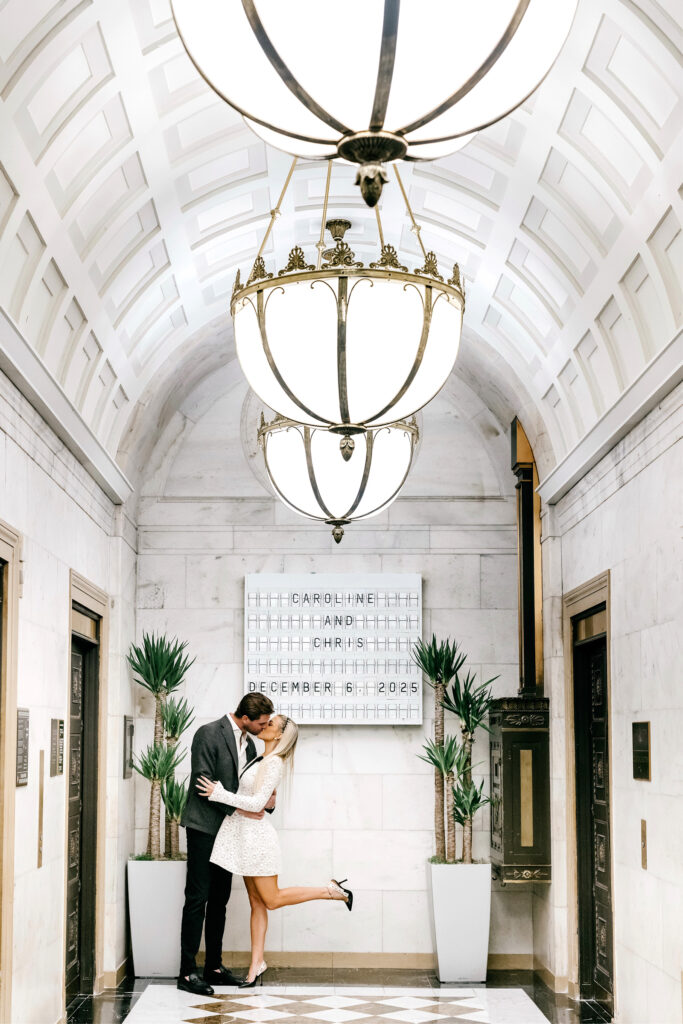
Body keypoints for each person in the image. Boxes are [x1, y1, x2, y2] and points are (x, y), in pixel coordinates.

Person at [196, 713, 353, 988]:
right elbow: (260, 801)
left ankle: (330, 891)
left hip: (258, 841)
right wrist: (261, 802)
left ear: (278, 735)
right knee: (256, 904)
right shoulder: (259, 758)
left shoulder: (274, 764)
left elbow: (255, 803)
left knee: (271, 899)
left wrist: (217, 793)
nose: (264, 724)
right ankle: (257, 964)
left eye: (270, 724)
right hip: (243, 838)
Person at [178, 692, 275, 996]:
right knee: (198, 898)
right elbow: (203, 784)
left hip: (231, 832)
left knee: (220, 899)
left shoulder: (250, 744)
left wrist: (265, 802)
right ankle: (187, 972)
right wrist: (243, 808)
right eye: (261, 723)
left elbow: (250, 789)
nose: (265, 727)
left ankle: (214, 968)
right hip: (204, 828)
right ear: (245, 718)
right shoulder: (208, 733)